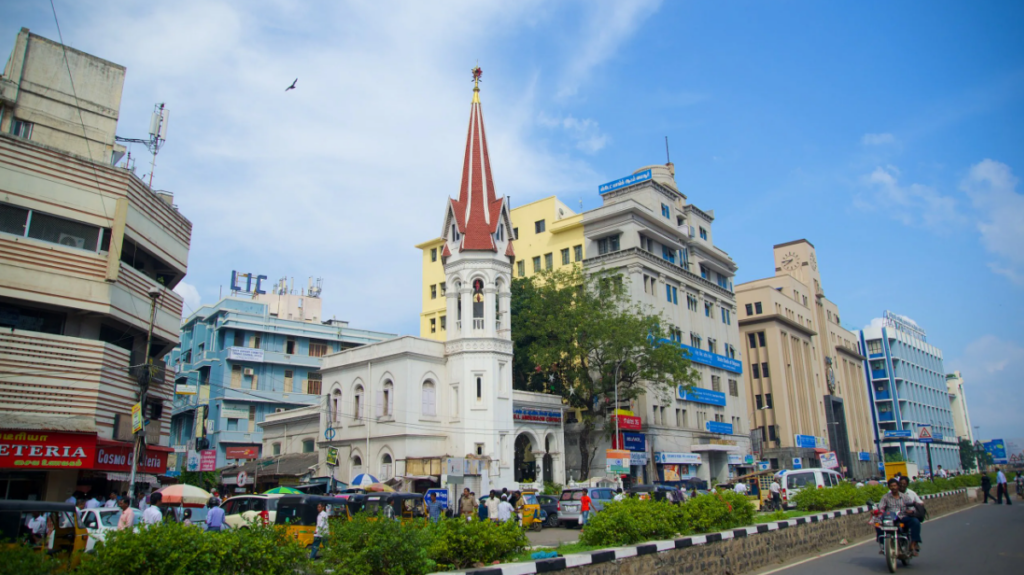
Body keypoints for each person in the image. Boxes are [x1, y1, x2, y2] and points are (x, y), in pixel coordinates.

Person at [877, 478, 920, 556]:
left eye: (895, 485)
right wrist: (880, 512)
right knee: (878, 524)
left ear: (898, 486)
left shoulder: (905, 497)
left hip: (903, 517)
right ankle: (884, 545)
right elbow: (881, 507)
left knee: (915, 522)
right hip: (890, 518)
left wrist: (910, 511)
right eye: (891, 486)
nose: (893, 487)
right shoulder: (885, 497)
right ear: (889, 487)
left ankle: (913, 543)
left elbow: (912, 508)